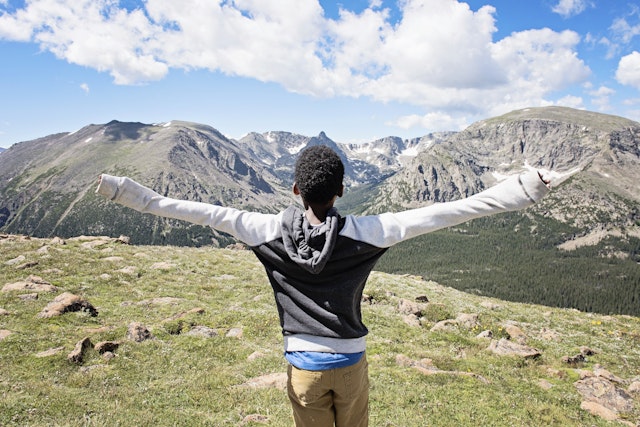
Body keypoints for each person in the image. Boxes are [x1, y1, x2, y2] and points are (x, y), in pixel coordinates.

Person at [96, 145, 551, 426]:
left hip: (303, 369)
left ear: (295, 190)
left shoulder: (261, 229)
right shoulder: (370, 230)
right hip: (351, 363)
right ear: (341, 190)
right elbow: (450, 211)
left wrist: (124, 191)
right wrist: (524, 189)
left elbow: (193, 210)